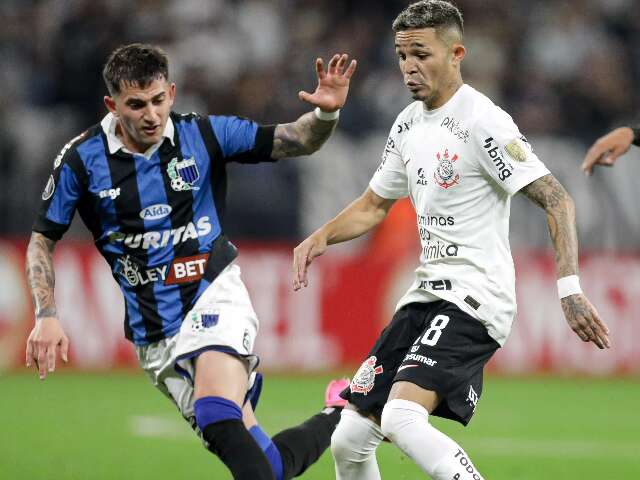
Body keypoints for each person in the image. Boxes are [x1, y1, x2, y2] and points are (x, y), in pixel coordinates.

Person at [292, 2, 611, 479]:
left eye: (421, 53)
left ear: (456, 52)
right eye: (402, 55)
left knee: (401, 416)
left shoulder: (483, 121)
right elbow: (373, 205)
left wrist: (569, 289)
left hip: (476, 297)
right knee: (350, 438)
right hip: (426, 294)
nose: (408, 67)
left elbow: (557, 200)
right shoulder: (408, 124)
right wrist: (320, 236)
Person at [25, 43, 356, 480]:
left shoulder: (203, 135)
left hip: (213, 293)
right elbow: (42, 239)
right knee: (268, 467)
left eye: (159, 100)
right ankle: (347, 412)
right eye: (136, 104)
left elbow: (296, 139)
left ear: (172, 93)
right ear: (112, 104)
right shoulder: (81, 160)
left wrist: (326, 114)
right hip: (155, 335)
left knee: (216, 410)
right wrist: (46, 315)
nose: (151, 114)